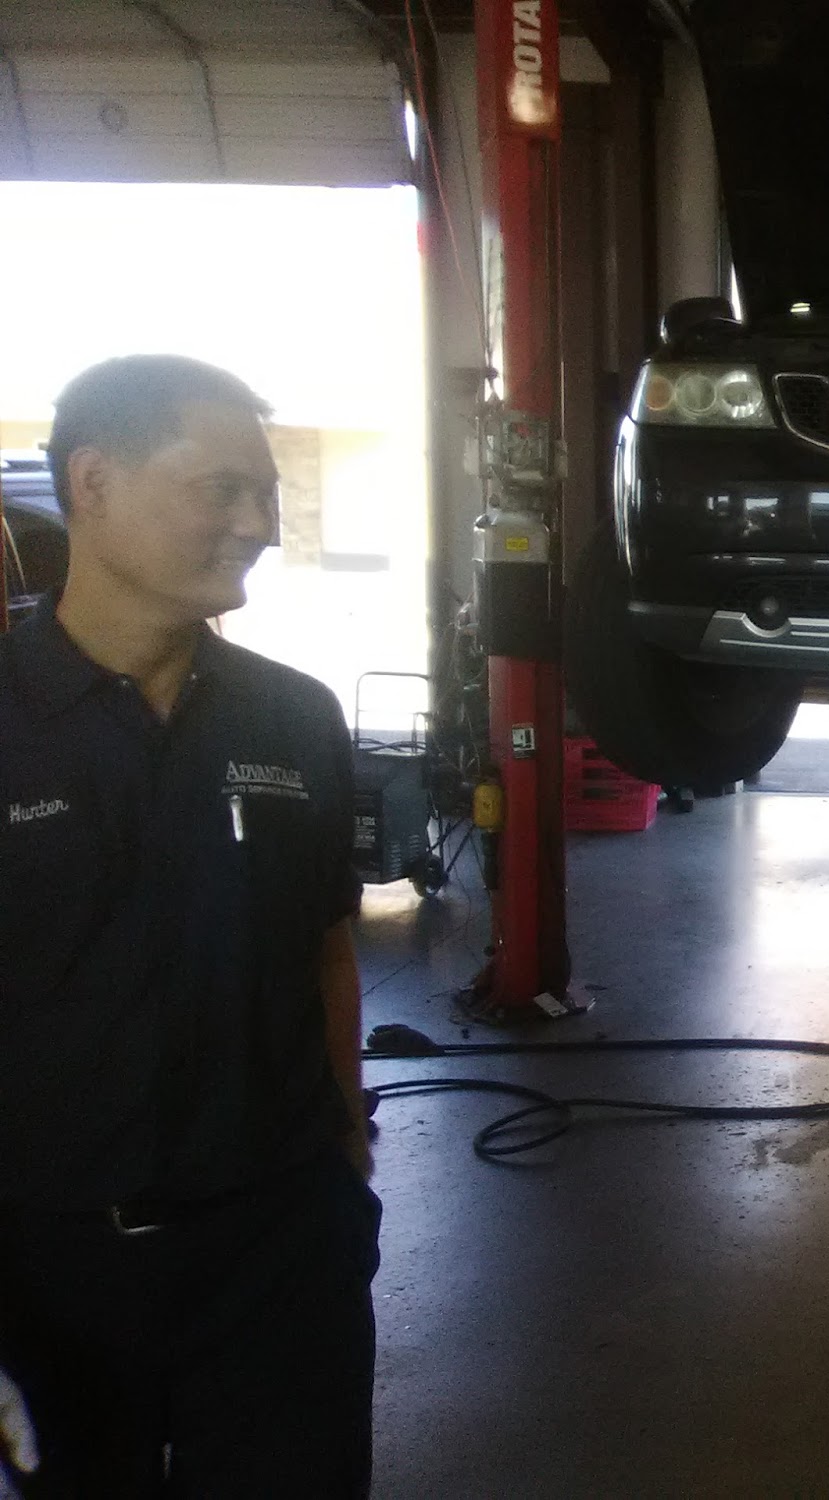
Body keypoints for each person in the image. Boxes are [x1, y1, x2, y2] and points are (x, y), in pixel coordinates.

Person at [0, 355, 380, 1497]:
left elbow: (324, 947)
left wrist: (345, 1163)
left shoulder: (293, 717)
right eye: (222, 489)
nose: (260, 524)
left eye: (265, 493)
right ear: (93, 482)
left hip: (278, 1254)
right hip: (44, 1267)